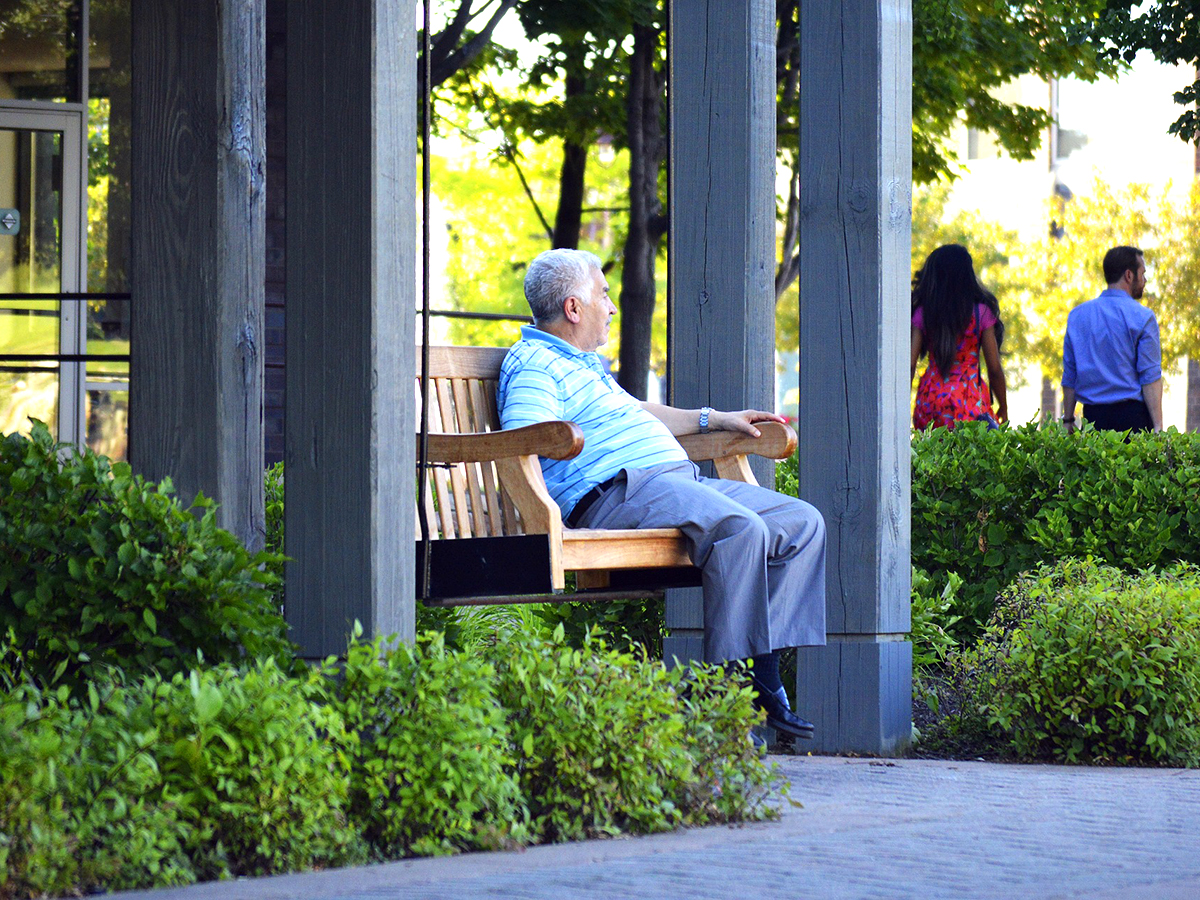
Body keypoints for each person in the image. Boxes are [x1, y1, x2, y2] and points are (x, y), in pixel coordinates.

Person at [498, 248, 827, 741]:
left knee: (802, 524)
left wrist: (714, 420)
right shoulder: (535, 364)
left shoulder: (584, 366)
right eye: (603, 295)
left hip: (675, 482)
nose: (611, 307)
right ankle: (740, 694)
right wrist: (572, 445)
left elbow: (637, 412)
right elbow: (524, 435)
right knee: (740, 530)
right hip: (618, 492)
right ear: (573, 308)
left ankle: (758, 675)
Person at [1061, 246, 1163, 434]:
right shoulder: (1143, 317)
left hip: (1093, 420)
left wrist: (1068, 420)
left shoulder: (1077, 316)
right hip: (1133, 421)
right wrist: (1158, 426)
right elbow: (1150, 376)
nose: (1145, 280)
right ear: (1129, 275)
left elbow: (1070, 374)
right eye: (1143, 273)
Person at [909, 244, 1008, 430]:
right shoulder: (981, 313)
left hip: (930, 401)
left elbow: (911, 364)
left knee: (933, 456)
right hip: (968, 401)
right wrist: (1003, 405)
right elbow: (994, 368)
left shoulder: (925, 312)